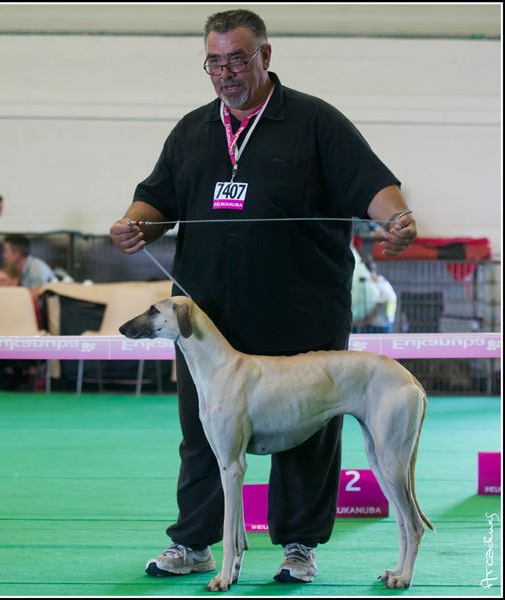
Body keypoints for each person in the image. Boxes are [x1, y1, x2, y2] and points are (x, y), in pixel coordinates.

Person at [110, 9, 417, 585]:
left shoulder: (316, 122)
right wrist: (133, 224)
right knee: (203, 434)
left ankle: (298, 546)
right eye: (215, 61)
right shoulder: (192, 131)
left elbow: (373, 183)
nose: (226, 72)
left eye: (238, 59)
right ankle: (195, 543)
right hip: (208, 318)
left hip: (300, 312)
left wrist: (396, 217)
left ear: (265, 57)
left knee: (309, 436)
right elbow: (156, 199)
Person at [353, 260, 398, 334]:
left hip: (380, 327)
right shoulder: (382, 282)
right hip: (381, 325)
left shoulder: (381, 287)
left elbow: (373, 312)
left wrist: (359, 323)